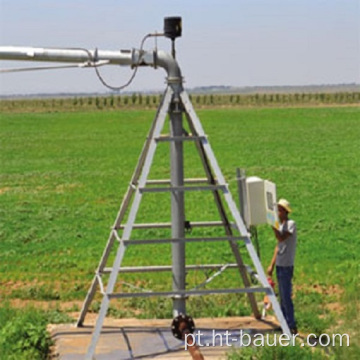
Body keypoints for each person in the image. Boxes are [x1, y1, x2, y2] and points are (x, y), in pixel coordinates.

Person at [267, 198, 297, 334]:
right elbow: (278, 246)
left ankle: (291, 325)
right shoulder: (281, 225)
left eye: (279, 210)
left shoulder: (291, 224)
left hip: (286, 265)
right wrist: (272, 265)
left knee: (286, 296)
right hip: (280, 264)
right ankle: (285, 323)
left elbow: (281, 238)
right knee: (282, 296)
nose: (277, 212)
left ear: (285, 212)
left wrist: (274, 226)